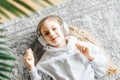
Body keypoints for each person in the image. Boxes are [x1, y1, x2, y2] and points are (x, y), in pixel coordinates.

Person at [24, 15, 113, 80]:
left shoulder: (85, 47)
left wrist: (90, 57)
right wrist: (31, 67)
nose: (52, 34)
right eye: (46, 33)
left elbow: (102, 72)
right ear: (43, 40)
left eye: (54, 28)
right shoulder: (45, 62)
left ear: (63, 28)